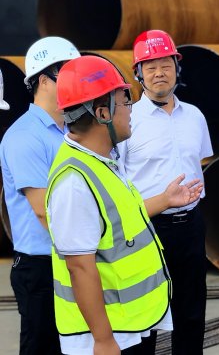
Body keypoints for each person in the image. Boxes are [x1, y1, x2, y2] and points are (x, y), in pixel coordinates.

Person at [46, 55, 203, 355]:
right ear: (102, 112)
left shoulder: (103, 162)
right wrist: (103, 340)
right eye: (125, 100)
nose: (131, 109)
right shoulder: (74, 182)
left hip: (127, 325)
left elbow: (120, 220)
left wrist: (165, 200)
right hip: (107, 334)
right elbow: (79, 267)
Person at [119, 30, 213, 354]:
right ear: (138, 73)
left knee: (191, 313)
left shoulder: (195, 117)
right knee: (147, 317)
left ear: (177, 67)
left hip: (191, 226)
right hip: (147, 228)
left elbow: (201, 159)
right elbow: (117, 179)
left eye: (165, 65)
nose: (159, 73)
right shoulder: (128, 120)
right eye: (150, 66)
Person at [0, 36, 80, 355]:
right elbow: (43, 210)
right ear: (43, 80)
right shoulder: (24, 136)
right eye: (68, 74)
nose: (76, 82)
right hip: (42, 267)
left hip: (70, 256)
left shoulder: (71, 131)